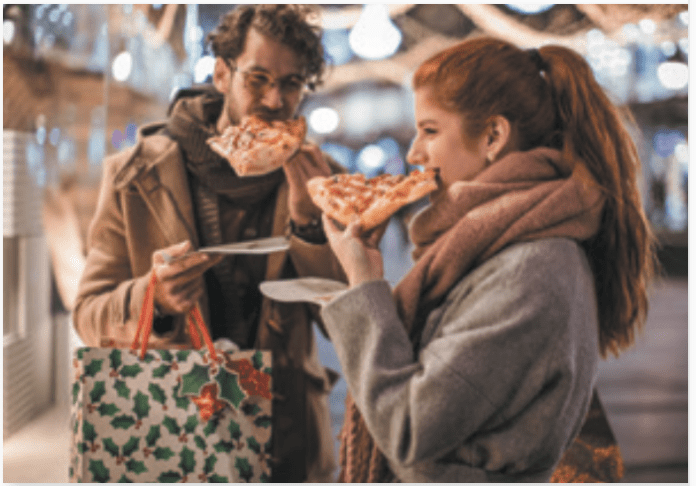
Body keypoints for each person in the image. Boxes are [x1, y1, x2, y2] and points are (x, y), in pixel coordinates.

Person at [319, 37, 656, 482]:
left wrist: (364, 286)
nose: (414, 153)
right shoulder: (495, 242)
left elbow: (409, 430)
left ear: (493, 136)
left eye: (431, 130)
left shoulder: (531, 269)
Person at [73, 5, 346, 482]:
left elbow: (344, 321)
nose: (276, 99)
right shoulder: (133, 175)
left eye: (291, 83)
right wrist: (152, 299)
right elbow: (88, 314)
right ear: (222, 73)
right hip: (168, 428)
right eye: (257, 78)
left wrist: (309, 223)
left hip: (285, 433)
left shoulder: (324, 180)